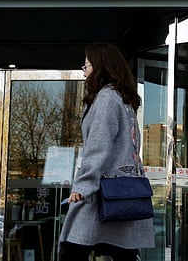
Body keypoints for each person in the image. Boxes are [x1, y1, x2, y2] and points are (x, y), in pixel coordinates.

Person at [58, 43, 154, 261]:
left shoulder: (106, 98)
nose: (84, 72)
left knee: (72, 248)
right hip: (122, 189)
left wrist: (83, 186)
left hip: (103, 191)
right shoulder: (123, 99)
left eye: (87, 66)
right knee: (123, 251)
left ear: (100, 67)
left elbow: (99, 146)